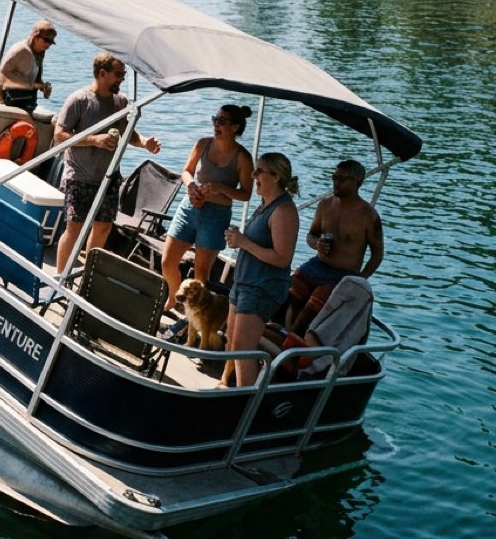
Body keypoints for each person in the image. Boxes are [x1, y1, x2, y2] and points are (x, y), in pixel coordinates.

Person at [53, 53, 161, 274]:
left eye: (123, 75)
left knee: (103, 228)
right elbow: (60, 135)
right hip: (80, 176)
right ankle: (60, 278)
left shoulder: (120, 102)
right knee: (75, 228)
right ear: (102, 74)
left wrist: (143, 143)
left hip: (108, 177)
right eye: (118, 74)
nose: (122, 79)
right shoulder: (79, 100)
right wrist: (94, 139)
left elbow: (128, 132)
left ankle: (87, 277)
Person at [160, 104, 254, 304]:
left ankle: (194, 316)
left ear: (235, 127)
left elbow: (246, 194)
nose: (216, 124)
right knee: (167, 261)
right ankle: (173, 297)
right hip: (189, 208)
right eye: (215, 119)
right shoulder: (203, 144)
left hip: (216, 216)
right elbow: (186, 171)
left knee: (201, 274)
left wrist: (221, 188)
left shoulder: (243, 158)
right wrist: (191, 186)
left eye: (222, 121)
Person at [223, 152, 300, 387]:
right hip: (244, 283)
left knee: (243, 350)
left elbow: (282, 258)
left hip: (261, 288)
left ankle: (245, 403)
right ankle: (225, 385)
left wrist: (244, 242)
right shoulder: (265, 205)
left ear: (276, 177)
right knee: (231, 342)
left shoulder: (284, 211)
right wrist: (239, 239)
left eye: (258, 171)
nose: (252, 175)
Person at [285, 159, 384, 334]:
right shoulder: (325, 205)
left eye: (342, 179)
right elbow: (311, 236)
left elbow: (377, 255)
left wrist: (359, 280)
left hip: (343, 275)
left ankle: (291, 344)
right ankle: (286, 335)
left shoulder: (369, 216)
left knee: (313, 306)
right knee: (293, 285)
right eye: (334, 177)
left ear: (358, 182)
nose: (336, 182)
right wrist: (318, 244)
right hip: (318, 265)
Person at [0, 19, 55, 108]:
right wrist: (31, 85)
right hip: (7, 102)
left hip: (25, 102)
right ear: (35, 37)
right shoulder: (20, 50)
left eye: (51, 42)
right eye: (46, 40)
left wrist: (44, 88)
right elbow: (3, 74)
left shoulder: (39, 53)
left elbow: (35, 81)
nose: (48, 45)